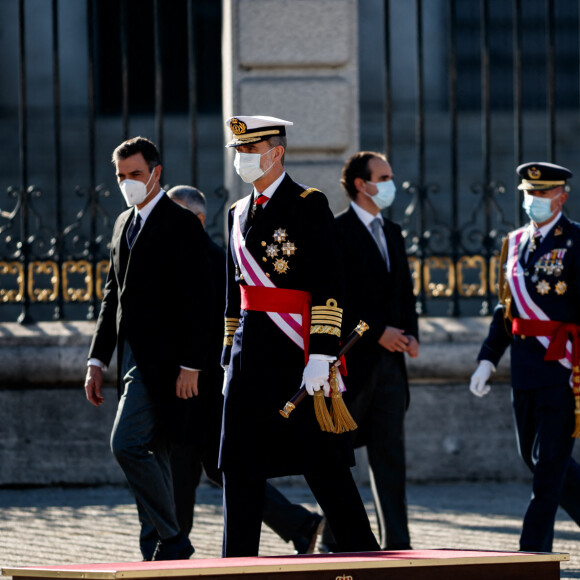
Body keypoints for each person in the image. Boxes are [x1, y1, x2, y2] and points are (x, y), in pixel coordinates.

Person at [219, 115, 380, 557]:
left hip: (297, 355)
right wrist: (226, 355)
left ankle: (366, 556)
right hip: (249, 358)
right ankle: (237, 566)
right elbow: (234, 293)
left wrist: (322, 354)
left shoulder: (308, 203)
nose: (242, 160)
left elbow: (331, 283)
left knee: (324, 467)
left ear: (276, 152)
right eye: (238, 152)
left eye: (250, 151)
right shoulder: (235, 213)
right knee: (238, 466)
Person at [166, 185, 325, 555]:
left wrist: (205, 369)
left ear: (199, 219)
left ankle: (173, 545)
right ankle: (298, 524)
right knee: (218, 466)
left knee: (199, 461)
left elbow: (219, 320)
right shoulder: (175, 256)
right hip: (200, 378)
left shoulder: (208, 257)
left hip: (204, 381)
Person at [83, 137, 211, 561]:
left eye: (135, 175)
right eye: (121, 177)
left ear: (156, 172)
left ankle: (173, 538)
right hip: (131, 359)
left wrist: (191, 364)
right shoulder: (123, 223)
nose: (128, 183)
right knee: (150, 453)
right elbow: (111, 297)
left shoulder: (180, 223)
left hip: (170, 362)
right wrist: (96, 360)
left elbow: (199, 301)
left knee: (127, 445)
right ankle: (156, 552)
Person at [469, 161, 580, 552]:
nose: (534, 200)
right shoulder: (514, 243)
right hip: (524, 369)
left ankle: (533, 551)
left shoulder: (576, 242)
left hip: (564, 367)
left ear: (562, 196)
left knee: (548, 467)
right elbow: (506, 309)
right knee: (533, 458)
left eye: (543, 193)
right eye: (529, 193)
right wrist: (487, 359)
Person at [328, 151, 418, 552]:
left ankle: (397, 544)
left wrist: (410, 334)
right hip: (354, 365)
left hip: (391, 367)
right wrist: (378, 332)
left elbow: (405, 294)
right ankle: (334, 541)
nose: (391, 184)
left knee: (391, 457)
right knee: (336, 458)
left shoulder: (393, 231)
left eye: (391, 176)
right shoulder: (338, 231)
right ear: (361, 185)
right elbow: (334, 300)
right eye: (383, 177)